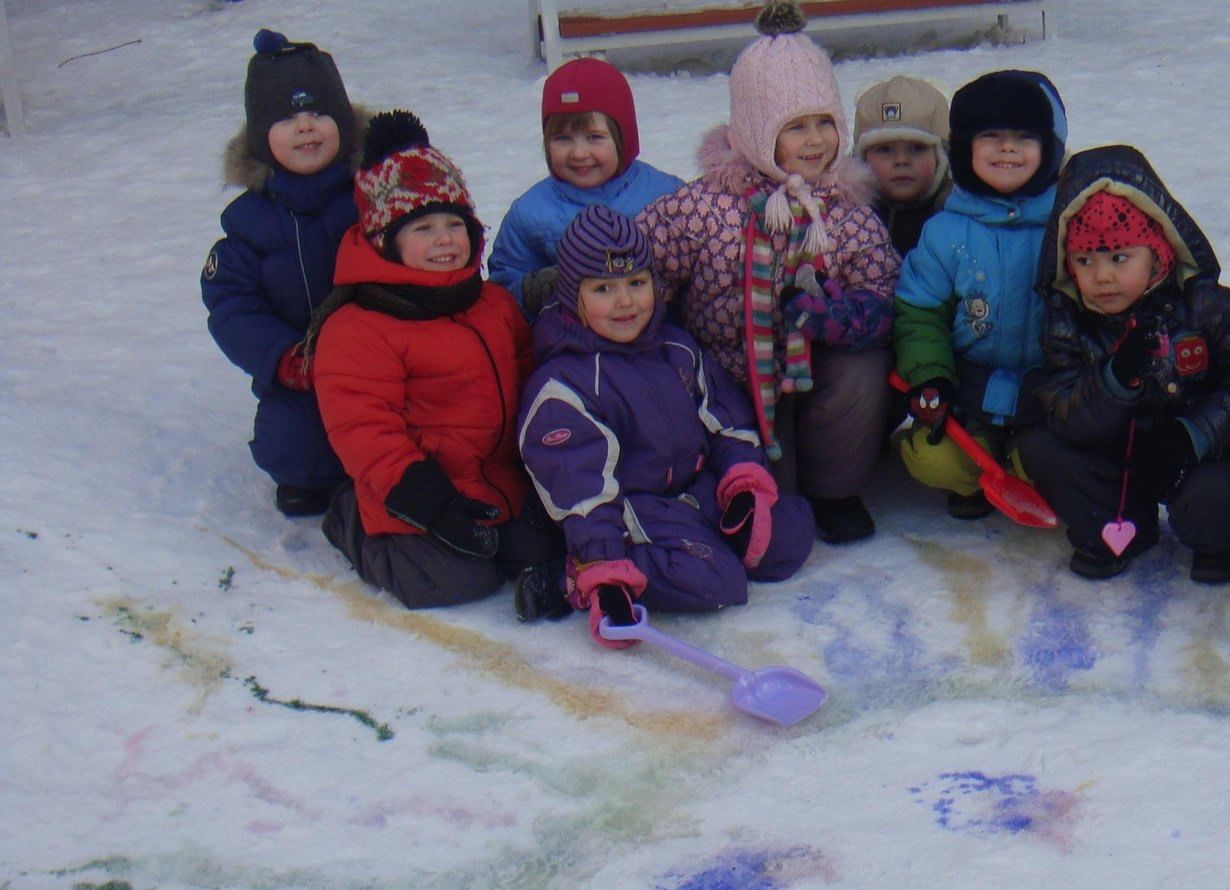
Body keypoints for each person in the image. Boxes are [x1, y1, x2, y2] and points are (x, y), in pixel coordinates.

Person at [635, 0, 899, 545]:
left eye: (825, 123)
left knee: (864, 367)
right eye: (795, 127)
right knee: (771, 498)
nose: (816, 141)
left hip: (812, 382)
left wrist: (844, 317)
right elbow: (646, 267)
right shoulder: (706, 206)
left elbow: (884, 291)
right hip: (728, 382)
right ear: (757, 131)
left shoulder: (846, 211)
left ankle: (837, 492)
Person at [311, 111, 567, 619]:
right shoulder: (359, 327)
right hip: (414, 486)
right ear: (386, 239)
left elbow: (529, 384)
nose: (446, 241)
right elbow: (365, 429)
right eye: (424, 229)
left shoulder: (492, 304)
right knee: (450, 580)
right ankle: (350, 519)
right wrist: (429, 502)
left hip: (495, 481)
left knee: (536, 554)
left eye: (456, 225)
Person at [520, 206, 815, 647]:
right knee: (715, 580)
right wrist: (606, 569)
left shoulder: (676, 347)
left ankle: (718, 536)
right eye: (604, 289)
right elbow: (581, 487)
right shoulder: (565, 384)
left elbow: (726, 419)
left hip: (696, 489)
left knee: (788, 531)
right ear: (573, 296)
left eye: (636, 284)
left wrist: (741, 484)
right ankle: (581, 572)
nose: (625, 302)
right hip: (632, 509)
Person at [1019, 145, 1230, 582]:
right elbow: (1064, 407)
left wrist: (1192, 435)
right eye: (1085, 261)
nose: (1102, 277)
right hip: (1111, 457)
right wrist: (1114, 381)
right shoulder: (1067, 324)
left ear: (1158, 254)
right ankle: (1117, 528)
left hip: (1193, 455)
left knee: (1217, 491)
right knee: (1041, 445)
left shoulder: (1206, 307)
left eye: (1119, 258)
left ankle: (1221, 538)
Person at [892, 70, 1067, 520]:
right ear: (965, 148)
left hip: (1046, 395)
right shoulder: (944, 232)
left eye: (1024, 137)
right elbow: (920, 314)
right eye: (991, 136)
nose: (1007, 148)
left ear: (1049, 149)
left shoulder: (1067, 224)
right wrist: (931, 377)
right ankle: (974, 478)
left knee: (1050, 465)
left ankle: (1024, 468)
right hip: (971, 389)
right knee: (933, 458)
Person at [201, 30, 361, 517]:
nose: (305, 127)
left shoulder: (375, 194)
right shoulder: (249, 223)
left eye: (318, 113)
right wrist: (282, 358)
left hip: (383, 361)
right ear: (260, 138)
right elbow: (232, 305)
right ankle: (313, 476)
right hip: (303, 373)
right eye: (287, 117)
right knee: (295, 448)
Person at [488, 58, 683, 317]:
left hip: (656, 339)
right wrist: (537, 288)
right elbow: (503, 291)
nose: (579, 153)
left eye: (594, 137)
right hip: (569, 343)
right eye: (562, 139)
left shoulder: (666, 197)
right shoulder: (531, 213)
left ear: (624, 137)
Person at [853, 75, 951, 257]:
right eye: (885, 149)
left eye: (917, 148)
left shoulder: (957, 217)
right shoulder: (846, 220)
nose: (901, 160)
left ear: (941, 158)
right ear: (862, 160)